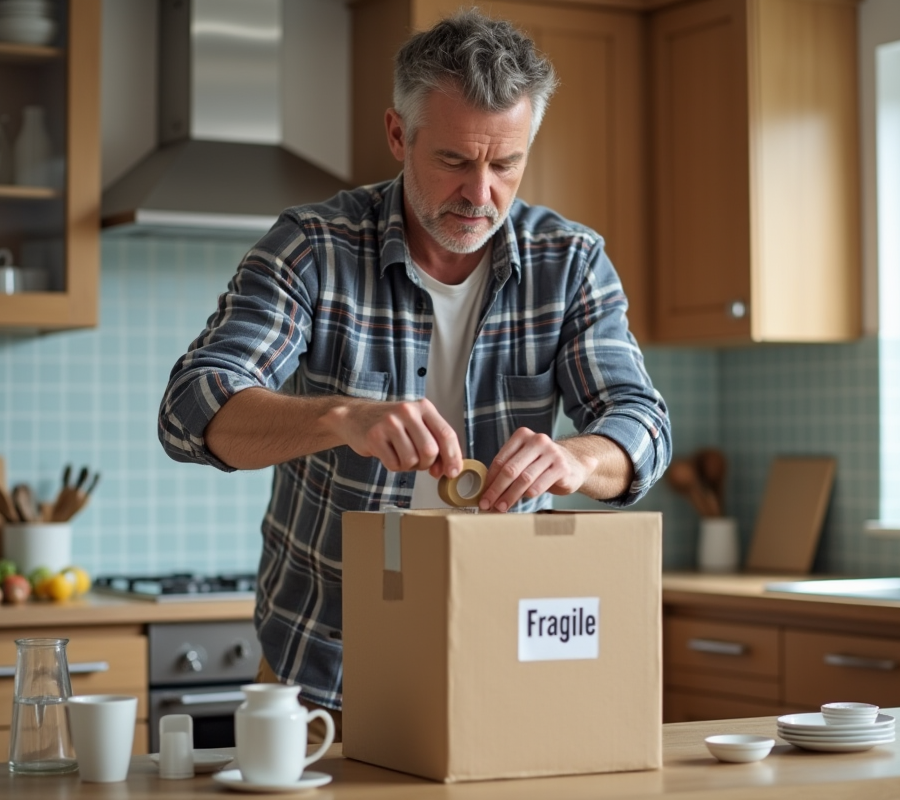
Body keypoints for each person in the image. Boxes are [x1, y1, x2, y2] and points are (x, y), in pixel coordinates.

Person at [158, 9, 671, 735]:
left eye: (506, 165)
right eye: (456, 161)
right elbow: (190, 409)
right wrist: (343, 418)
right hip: (325, 669)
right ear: (399, 136)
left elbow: (642, 425)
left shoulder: (572, 262)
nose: (481, 194)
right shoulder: (313, 247)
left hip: (512, 658)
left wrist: (572, 459)